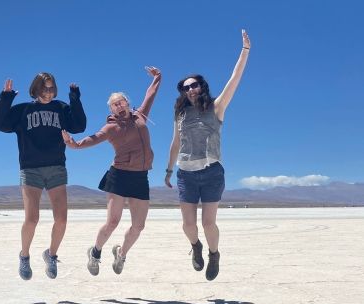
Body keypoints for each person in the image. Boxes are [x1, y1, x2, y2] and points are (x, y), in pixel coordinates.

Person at [165, 29, 251, 281]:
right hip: (186, 173)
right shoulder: (180, 114)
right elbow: (175, 143)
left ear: (202, 86)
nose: (189, 89)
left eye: (193, 85)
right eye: (185, 87)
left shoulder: (217, 106)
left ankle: (214, 254)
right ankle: (196, 247)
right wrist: (169, 170)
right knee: (188, 226)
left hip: (212, 172)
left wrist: (245, 51)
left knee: (208, 223)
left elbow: (234, 79)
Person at [62, 66, 161, 275]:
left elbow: (150, 94)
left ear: (127, 103)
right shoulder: (111, 128)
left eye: (121, 102)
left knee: (139, 226)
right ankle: (95, 252)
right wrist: (74, 144)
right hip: (119, 177)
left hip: (140, 178)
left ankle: (121, 254)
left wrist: (157, 78)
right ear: (111, 110)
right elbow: (94, 138)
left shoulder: (140, 116)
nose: (119, 106)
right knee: (113, 221)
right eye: (114, 105)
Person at [0, 72, 86, 280]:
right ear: (35, 89)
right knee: (32, 219)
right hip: (31, 169)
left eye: (52, 88)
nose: (48, 92)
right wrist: (5, 97)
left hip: (56, 168)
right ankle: (24, 256)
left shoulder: (61, 108)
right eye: (44, 88)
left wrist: (75, 98)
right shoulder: (24, 111)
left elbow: (79, 126)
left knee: (61, 220)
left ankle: (51, 255)